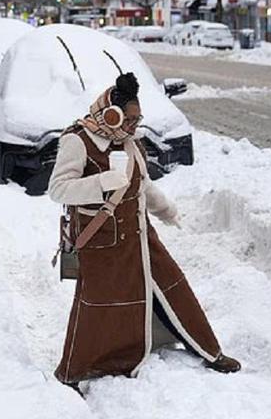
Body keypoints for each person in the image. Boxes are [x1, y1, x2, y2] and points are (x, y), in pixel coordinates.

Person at [49, 72, 241, 395]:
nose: (134, 125)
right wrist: (101, 183)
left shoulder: (129, 142)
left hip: (139, 235)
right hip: (101, 242)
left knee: (173, 287)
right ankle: (73, 372)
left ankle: (208, 350)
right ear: (111, 114)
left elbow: (143, 186)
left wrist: (167, 210)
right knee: (98, 308)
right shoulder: (78, 141)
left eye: (138, 119)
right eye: (129, 119)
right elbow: (58, 189)